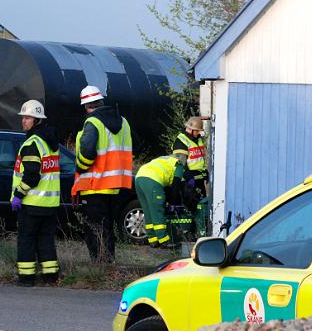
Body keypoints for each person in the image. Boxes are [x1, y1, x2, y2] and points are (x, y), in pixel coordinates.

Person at [71, 85, 133, 262]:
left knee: (94, 228)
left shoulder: (92, 122)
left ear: (85, 106)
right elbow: (137, 143)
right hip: (117, 185)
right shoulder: (123, 121)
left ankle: (99, 264)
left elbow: (88, 152)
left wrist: (81, 167)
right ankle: (108, 261)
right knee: (108, 228)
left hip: (95, 185)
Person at [10, 100, 60, 286]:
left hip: (31, 203)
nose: (24, 121)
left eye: (28, 117)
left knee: (26, 240)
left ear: (37, 120)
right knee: (46, 240)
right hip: (50, 204)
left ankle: (26, 277)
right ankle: (50, 276)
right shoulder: (50, 142)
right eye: (23, 117)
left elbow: (32, 175)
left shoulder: (32, 143)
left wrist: (18, 195)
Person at [135, 152, 188, 247]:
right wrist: (173, 203)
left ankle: (153, 239)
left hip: (139, 177)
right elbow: (175, 187)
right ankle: (164, 240)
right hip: (152, 180)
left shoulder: (164, 159)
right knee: (157, 210)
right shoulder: (179, 165)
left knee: (148, 211)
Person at [172, 116, 207, 198]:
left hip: (198, 179)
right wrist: (189, 178)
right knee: (192, 206)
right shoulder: (181, 141)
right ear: (190, 129)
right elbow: (181, 163)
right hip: (188, 180)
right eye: (197, 131)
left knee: (202, 204)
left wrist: (204, 172)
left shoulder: (197, 139)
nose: (199, 133)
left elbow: (199, 158)